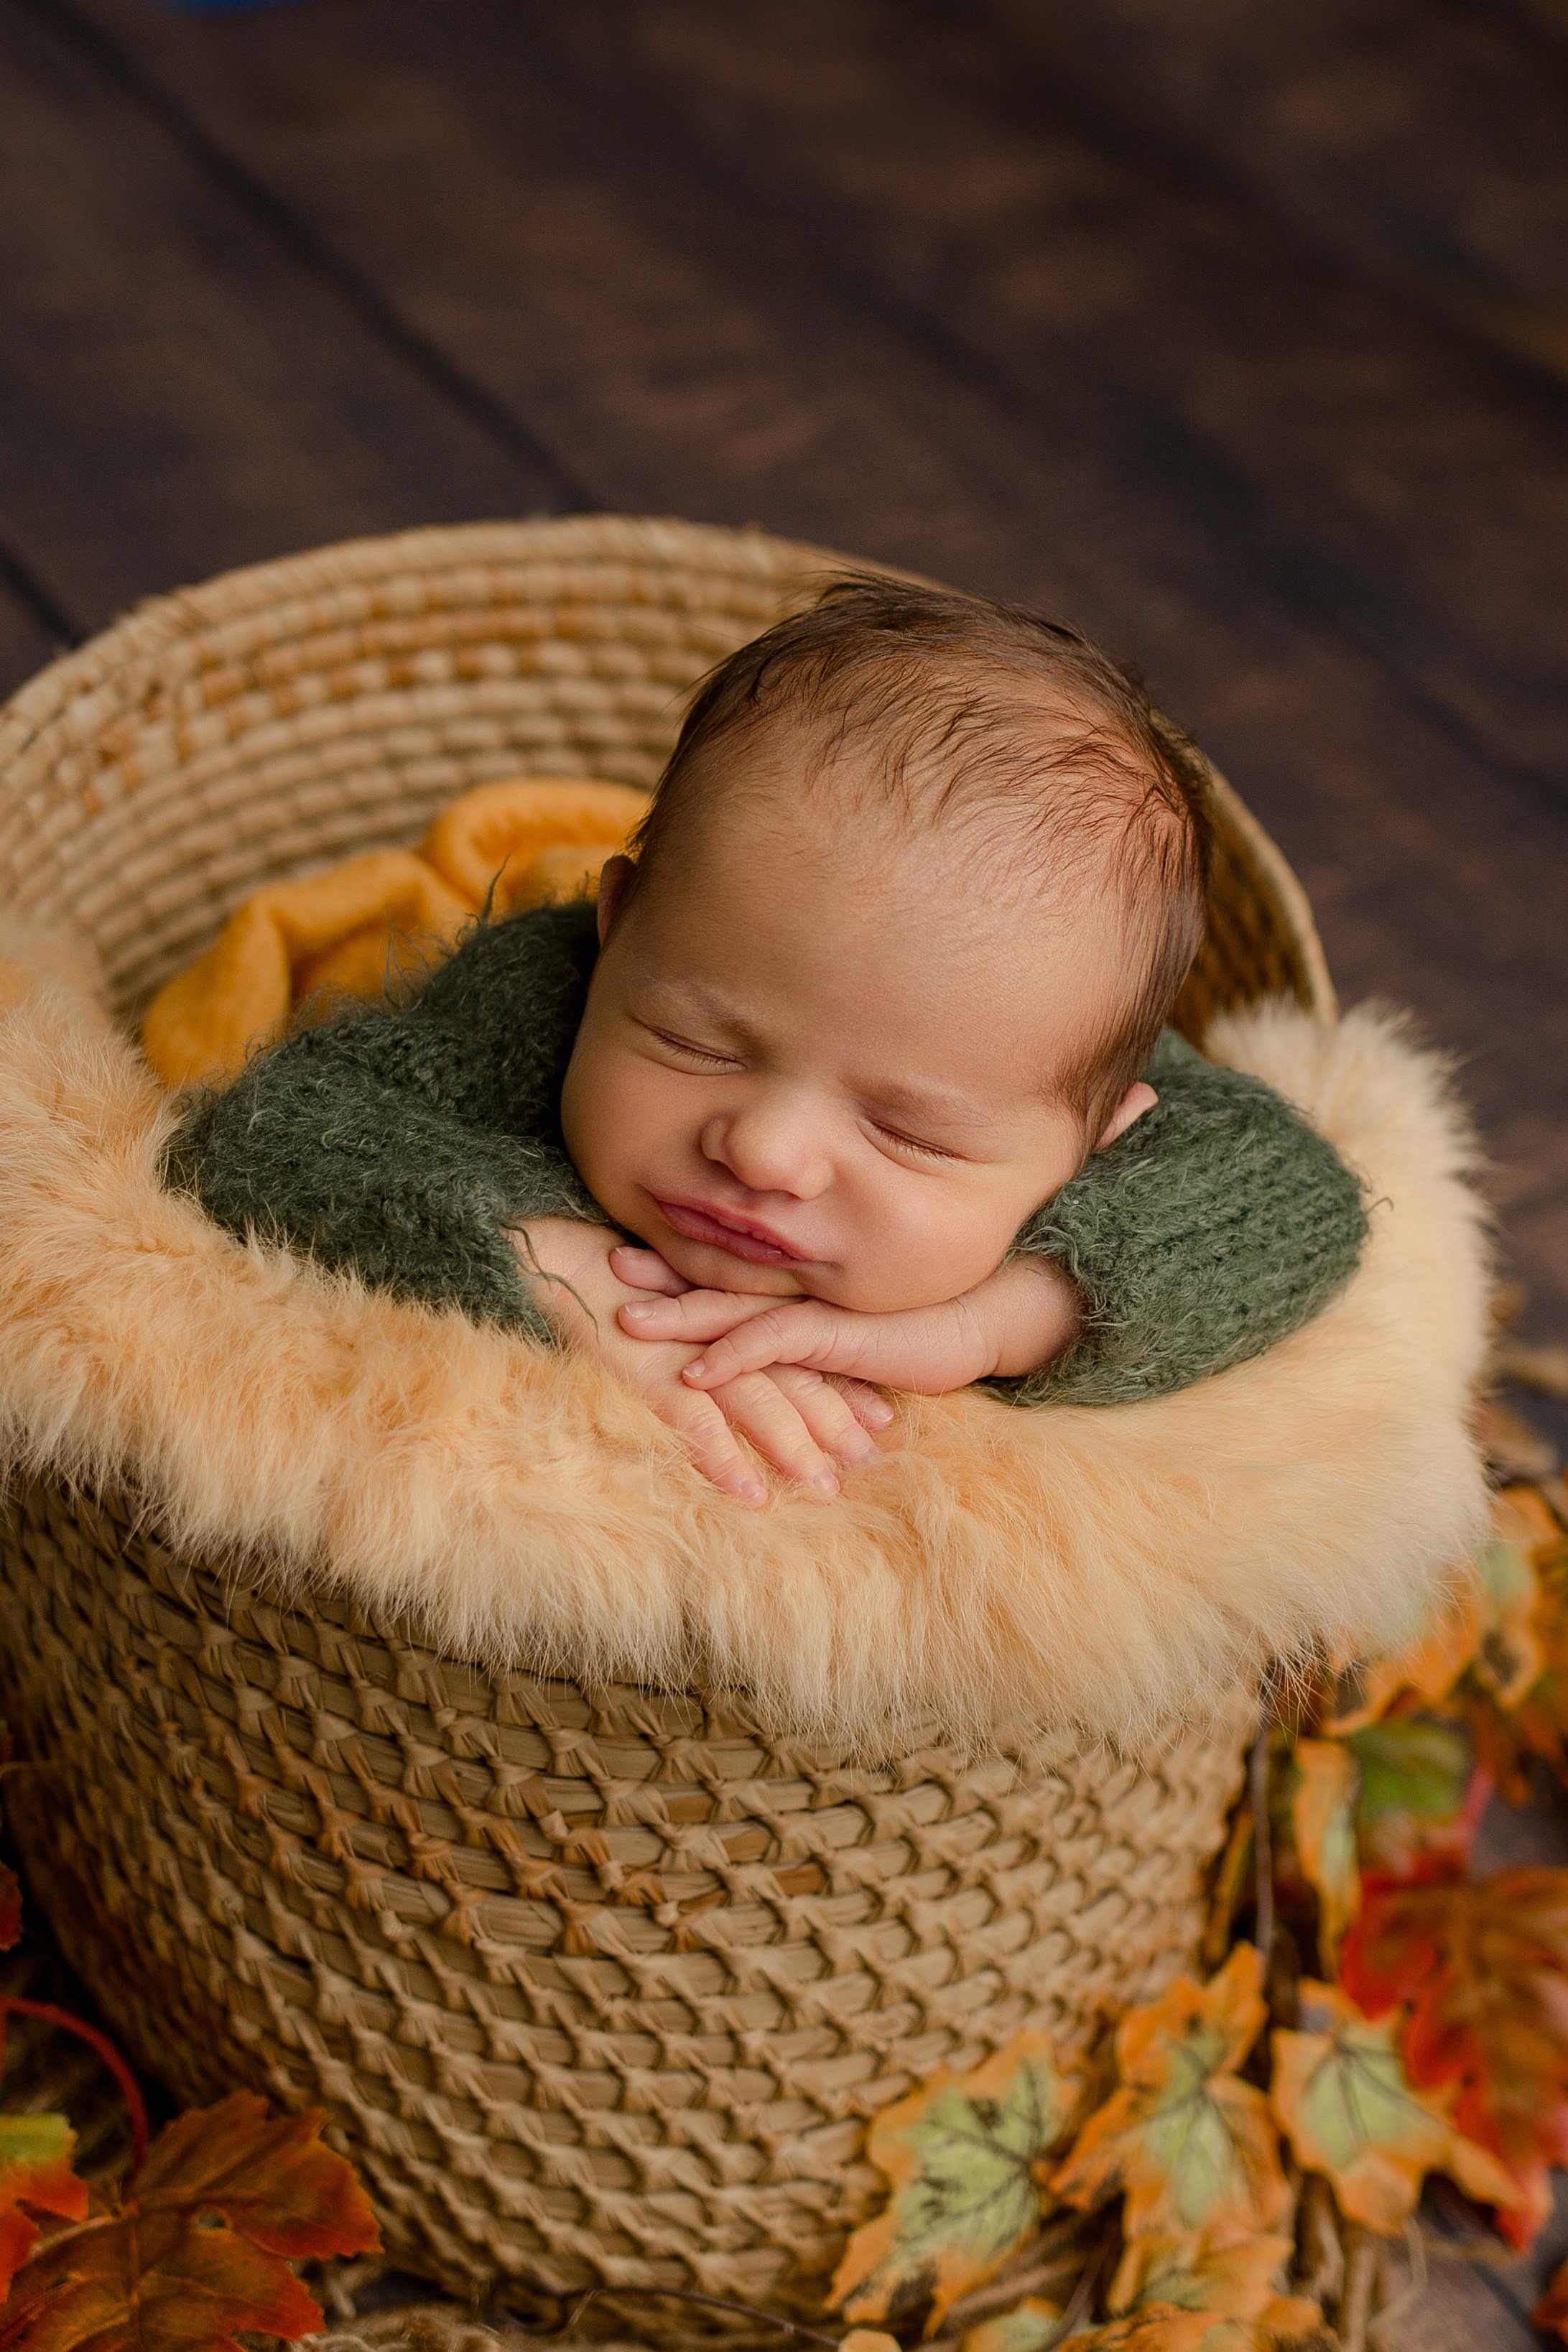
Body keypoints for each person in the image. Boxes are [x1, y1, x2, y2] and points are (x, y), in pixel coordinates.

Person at [167, 580, 1366, 1506]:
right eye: (698, 1041)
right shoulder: (539, 993)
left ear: (1097, 1137)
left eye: (906, 1129)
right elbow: (267, 1137)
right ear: (619, 926)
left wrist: (999, 1318)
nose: (766, 1148)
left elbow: (1301, 1202)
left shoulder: (1043, 1049)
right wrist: (537, 1257)